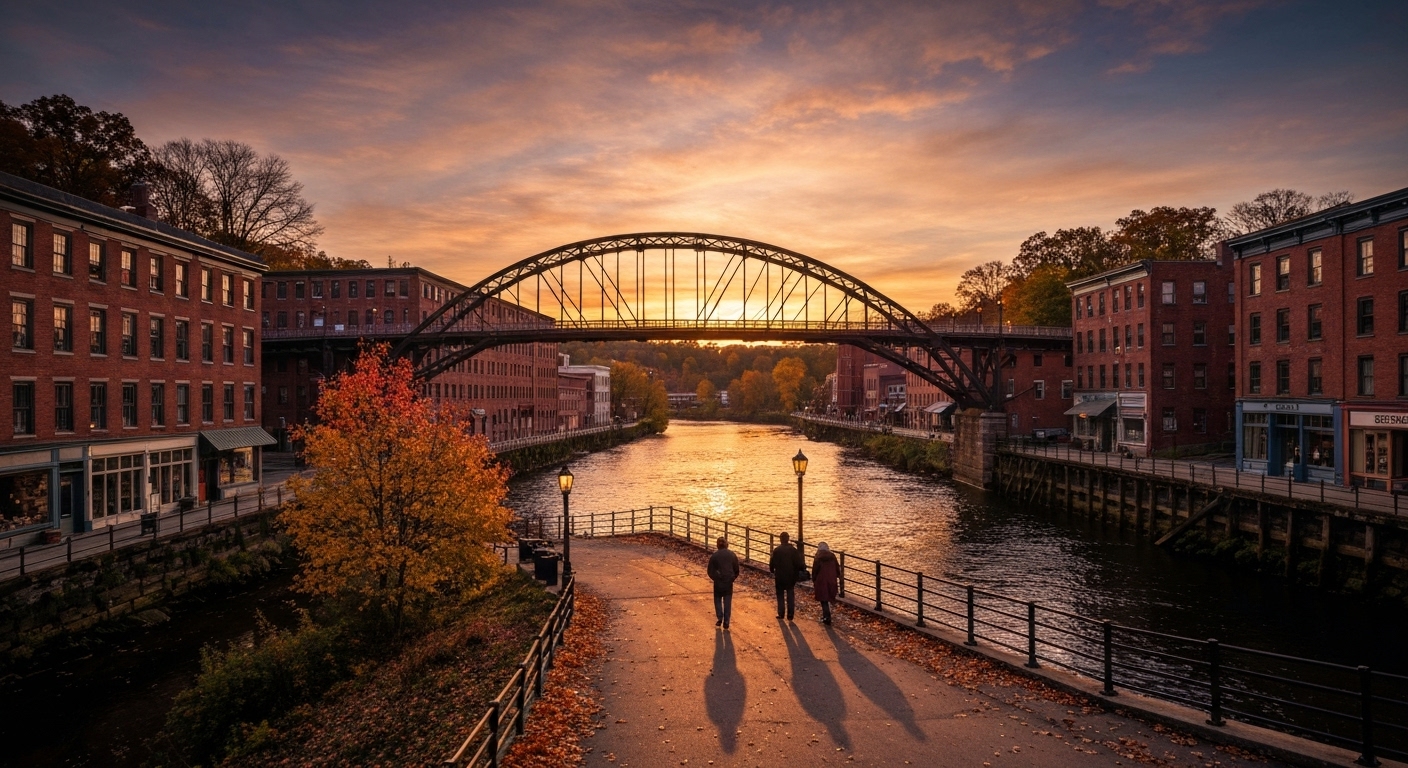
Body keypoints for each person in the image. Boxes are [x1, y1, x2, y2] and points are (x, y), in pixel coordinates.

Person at [769, 532, 805, 621]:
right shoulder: (793, 550)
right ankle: (790, 615)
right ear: (788, 539)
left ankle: (781, 613)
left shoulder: (777, 550)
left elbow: (772, 563)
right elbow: (799, 564)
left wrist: (772, 570)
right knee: (790, 595)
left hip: (779, 576)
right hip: (790, 576)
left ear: (780, 539)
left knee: (780, 595)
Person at [707, 536, 740, 629]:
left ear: (717, 545)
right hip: (728, 581)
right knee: (727, 601)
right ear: (727, 544)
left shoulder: (714, 556)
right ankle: (726, 621)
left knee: (717, 600)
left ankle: (719, 617)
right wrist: (732, 578)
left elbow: (710, 571)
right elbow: (736, 569)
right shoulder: (732, 555)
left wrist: (715, 578)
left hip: (718, 582)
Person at [811, 541, 839, 625]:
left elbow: (815, 570)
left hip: (821, 580)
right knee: (829, 596)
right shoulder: (832, 556)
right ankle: (827, 616)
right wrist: (837, 575)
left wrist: (814, 579)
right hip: (831, 579)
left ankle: (827, 617)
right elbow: (837, 567)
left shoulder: (818, 557)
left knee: (823, 599)